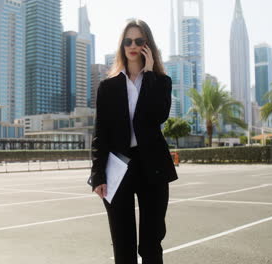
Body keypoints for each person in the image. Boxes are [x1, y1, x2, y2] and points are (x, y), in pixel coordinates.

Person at [88, 19, 178, 264]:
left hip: (152, 167)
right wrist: (98, 175)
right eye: (128, 41)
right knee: (123, 246)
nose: (133, 45)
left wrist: (149, 74)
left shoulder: (161, 81)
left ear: (147, 45)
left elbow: (158, 116)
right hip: (118, 168)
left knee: (151, 244)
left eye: (139, 40)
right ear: (122, 45)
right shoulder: (108, 87)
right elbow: (100, 133)